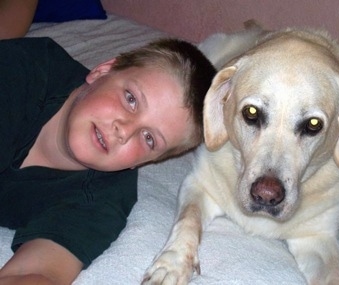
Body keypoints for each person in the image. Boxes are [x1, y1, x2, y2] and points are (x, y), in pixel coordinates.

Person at [0, 36, 216, 284]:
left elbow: (37, 273)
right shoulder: (18, 71)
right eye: (131, 99)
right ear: (102, 71)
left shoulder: (102, 198)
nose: (124, 130)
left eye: (148, 139)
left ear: (145, 162)